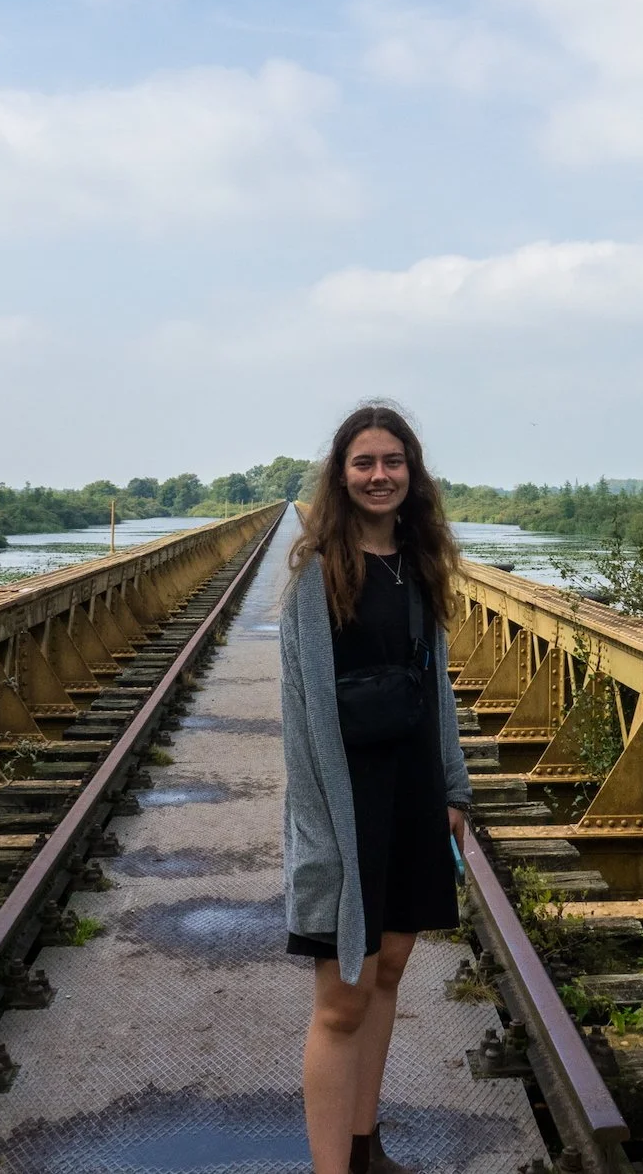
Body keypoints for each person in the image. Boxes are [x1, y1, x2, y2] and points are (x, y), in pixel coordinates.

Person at [281, 404, 474, 1174]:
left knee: (389, 969)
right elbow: (303, 717)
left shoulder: (418, 564)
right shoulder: (318, 574)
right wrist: (320, 835)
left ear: (412, 472)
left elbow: (438, 694)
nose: (379, 476)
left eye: (392, 461)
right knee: (341, 1000)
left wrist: (453, 793)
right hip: (345, 802)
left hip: (412, 793)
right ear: (341, 474)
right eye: (364, 463)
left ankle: (365, 1146)